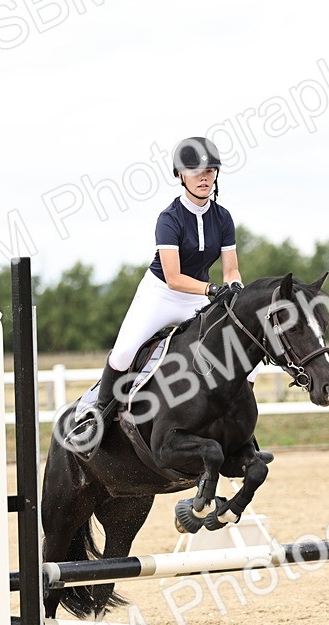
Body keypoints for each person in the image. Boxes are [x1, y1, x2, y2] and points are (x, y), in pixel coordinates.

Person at [65, 136, 245, 451]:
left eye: (210, 171)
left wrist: (235, 288)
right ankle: (96, 420)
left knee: (233, 345)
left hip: (198, 297)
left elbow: (231, 270)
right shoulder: (169, 218)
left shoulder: (223, 218)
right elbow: (174, 277)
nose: (204, 178)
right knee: (123, 352)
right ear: (180, 176)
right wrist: (212, 288)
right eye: (196, 172)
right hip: (161, 293)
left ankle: (238, 428)